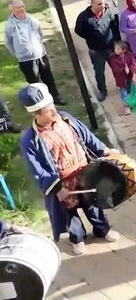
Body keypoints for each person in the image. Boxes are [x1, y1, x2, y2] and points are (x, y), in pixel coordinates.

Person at [19, 83, 120, 255]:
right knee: (70, 211)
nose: (53, 111)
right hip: (63, 181)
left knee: (92, 203)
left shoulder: (65, 118)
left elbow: (87, 136)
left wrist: (105, 150)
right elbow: (37, 169)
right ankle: (77, 238)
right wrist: (57, 188)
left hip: (84, 171)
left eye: (52, 106)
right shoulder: (30, 140)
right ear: (36, 113)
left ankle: (102, 229)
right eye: (48, 110)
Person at [5, 0, 66, 106]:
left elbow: (40, 33)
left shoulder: (32, 19)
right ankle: (40, 103)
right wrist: (19, 53)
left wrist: (39, 46)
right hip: (26, 60)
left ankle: (55, 97)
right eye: (18, 7)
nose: (22, 9)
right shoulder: (10, 26)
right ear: (12, 10)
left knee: (48, 78)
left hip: (40, 55)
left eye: (22, 6)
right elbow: (8, 43)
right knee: (34, 82)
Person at [75, 0, 121, 102]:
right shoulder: (84, 17)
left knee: (118, 68)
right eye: (99, 4)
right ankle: (102, 91)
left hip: (110, 48)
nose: (103, 5)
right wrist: (91, 38)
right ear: (93, 4)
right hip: (96, 51)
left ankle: (122, 85)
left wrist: (117, 43)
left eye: (104, 3)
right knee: (99, 72)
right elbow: (78, 30)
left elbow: (115, 28)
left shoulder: (109, 13)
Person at [108, 41, 136, 115]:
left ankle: (132, 103)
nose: (116, 51)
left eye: (118, 49)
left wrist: (129, 69)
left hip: (129, 76)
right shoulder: (113, 58)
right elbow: (115, 68)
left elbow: (133, 64)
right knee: (123, 92)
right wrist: (123, 69)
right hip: (120, 77)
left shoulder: (129, 55)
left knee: (131, 89)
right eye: (115, 49)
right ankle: (126, 107)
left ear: (124, 50)